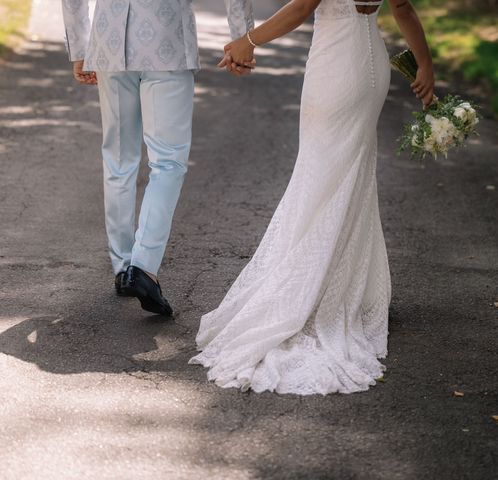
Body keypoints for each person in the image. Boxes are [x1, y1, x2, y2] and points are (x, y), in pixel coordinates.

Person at [190, 0, 435, 394]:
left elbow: (303, 5)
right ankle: (342, 284)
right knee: (348, 176)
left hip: (336, 67)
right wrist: (425, 64)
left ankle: (311, 289)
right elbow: (402, 6)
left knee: (318, 175)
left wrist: (248, 40)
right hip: (370, 63)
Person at [60, 0, 254, 316]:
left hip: (110, 39)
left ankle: (124, 268)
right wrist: (243, 37)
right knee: (168, 162)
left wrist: (80, 47)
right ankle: (143, 266)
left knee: (118, 159)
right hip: (167, 39)